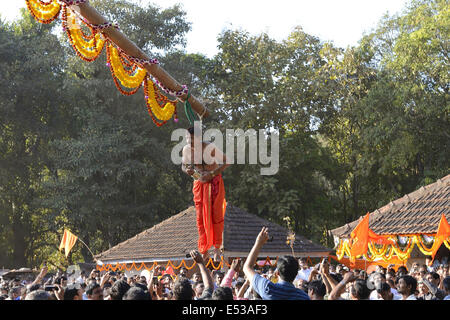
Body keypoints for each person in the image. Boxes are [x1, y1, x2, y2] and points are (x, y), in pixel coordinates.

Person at [182, 126, 230, 261]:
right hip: (199, 183)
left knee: (216, 215)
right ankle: (204, 249)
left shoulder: (209, 147)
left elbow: (227, 161)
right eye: (186, 138)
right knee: (200, 218)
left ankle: (216, 248)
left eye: (191, 139)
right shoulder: (186, 149)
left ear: (198, 138)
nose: (188, 141)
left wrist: (212, 173)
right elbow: (183, 166)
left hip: (214, 182)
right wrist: (188, 171)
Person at [243, 227, 309, 300]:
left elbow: (247, 267)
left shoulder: (268, 288)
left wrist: (258, 243)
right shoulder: (303, 297)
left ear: (277, 273)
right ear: (296, 274)